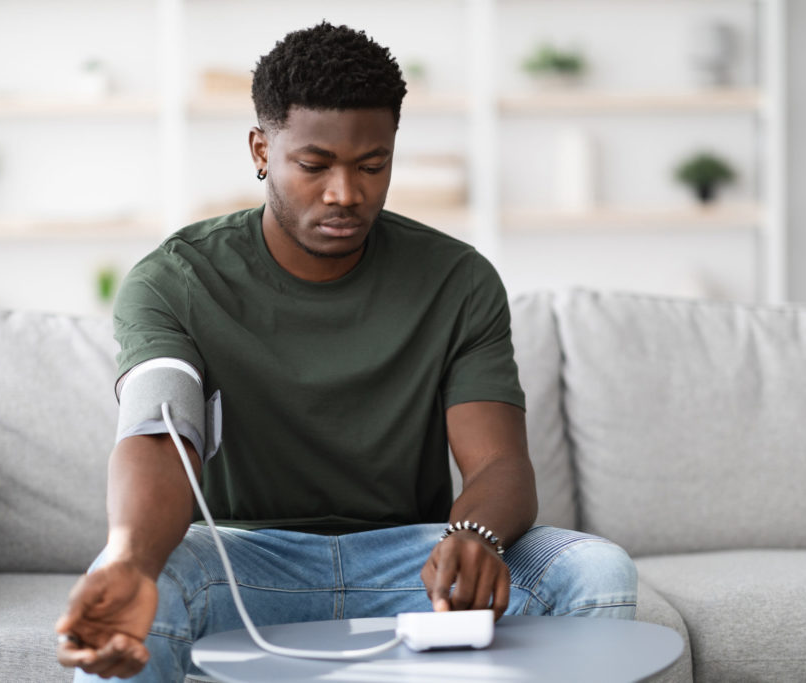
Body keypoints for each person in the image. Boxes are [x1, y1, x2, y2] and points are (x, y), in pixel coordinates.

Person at [56, 21, 637, 681]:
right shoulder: (177, 281)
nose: (346, 193)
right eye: (314, 165)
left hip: (411, 561)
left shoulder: (458, 280)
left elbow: (501, 463)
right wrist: (129, 557)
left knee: (597, 570)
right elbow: (160, 430)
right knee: (137, 585)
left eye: (372, 165)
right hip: (242, 563)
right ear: (260, 149)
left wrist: (474, 535)